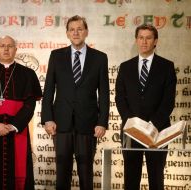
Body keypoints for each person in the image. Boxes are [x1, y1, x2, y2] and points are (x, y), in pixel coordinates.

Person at [41, 15, 110, 190]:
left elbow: (104, 94)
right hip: (61, 123)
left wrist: (102, 122)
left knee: (86, 174)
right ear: (67, 33)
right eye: (72, 29)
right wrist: (47, 118)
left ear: (86, 32)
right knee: (62, 173)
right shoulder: (56, 56)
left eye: (79, 29)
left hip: (88, 124)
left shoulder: (100, 58)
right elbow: (48, 89)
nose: (76, 32)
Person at [0, 35, 42, 190]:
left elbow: (30, 105)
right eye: (2, 46)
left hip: (17, 131)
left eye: (10, 46)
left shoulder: (28, 74)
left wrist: (14, 125)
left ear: (15, 49)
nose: (6, 49)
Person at [115, 24, 177, 190]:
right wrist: (132, 123)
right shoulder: (125, 67)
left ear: (155, 41)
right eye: (141, 38)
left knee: (156, 178)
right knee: (131, 178)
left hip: (158, 131)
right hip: (131, 131)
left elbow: (168, 101)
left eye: (148, 38)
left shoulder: (167, 67)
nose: (144, 41)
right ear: (136, 40)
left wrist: (152, 125)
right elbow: (120, 98)